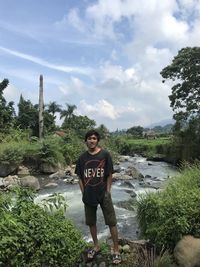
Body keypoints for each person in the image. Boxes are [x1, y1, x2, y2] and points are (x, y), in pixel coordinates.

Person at [75, 129, 122, 265]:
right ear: (86, 141)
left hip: (103, 194)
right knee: (91, 222)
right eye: (89, 138)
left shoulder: (105, 155)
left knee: (111, 221)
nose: (92, 141)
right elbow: (79, 177)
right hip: (89, 195)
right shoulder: (82, 158)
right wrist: (83, 193)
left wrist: (108, 191)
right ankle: (96, 245)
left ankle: (116, 249)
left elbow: (109, 174)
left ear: (98, 141)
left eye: (94, 138)